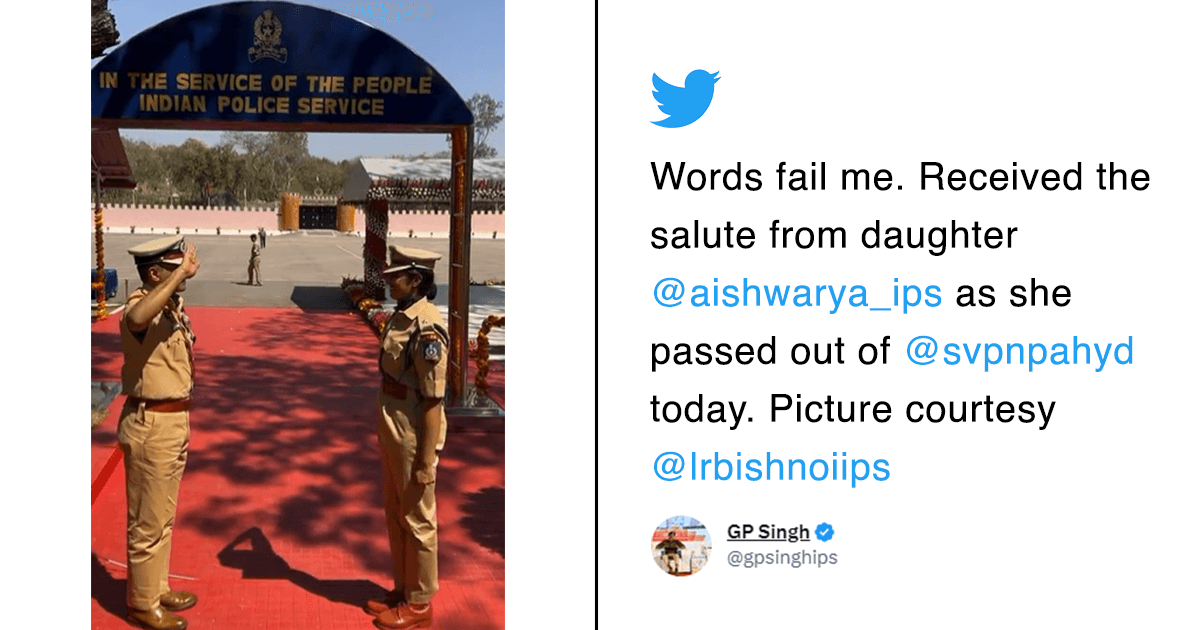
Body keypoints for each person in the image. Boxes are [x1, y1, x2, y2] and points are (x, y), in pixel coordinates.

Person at [118, 236, 201, 630]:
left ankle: (157, 586)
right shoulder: (140, 306)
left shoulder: (168, 306)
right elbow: (135, 320)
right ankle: (141, 603)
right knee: (146, 521)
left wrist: (175, 283)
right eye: (174, 266)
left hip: (172, 421)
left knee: (163, 516)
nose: (184, 269)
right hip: (150, 421)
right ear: (155, 274)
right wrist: (178, 277)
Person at [364, 246, 449, 630]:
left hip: (414, 432)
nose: (387, 279)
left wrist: (427, 462)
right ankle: (403, 588)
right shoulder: (403, 316)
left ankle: (419, 604)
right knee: (397, 512)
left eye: (394, 275)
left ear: (415, 280)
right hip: (394, 426)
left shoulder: (426, 327)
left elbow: (433, 402)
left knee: (417, 518)